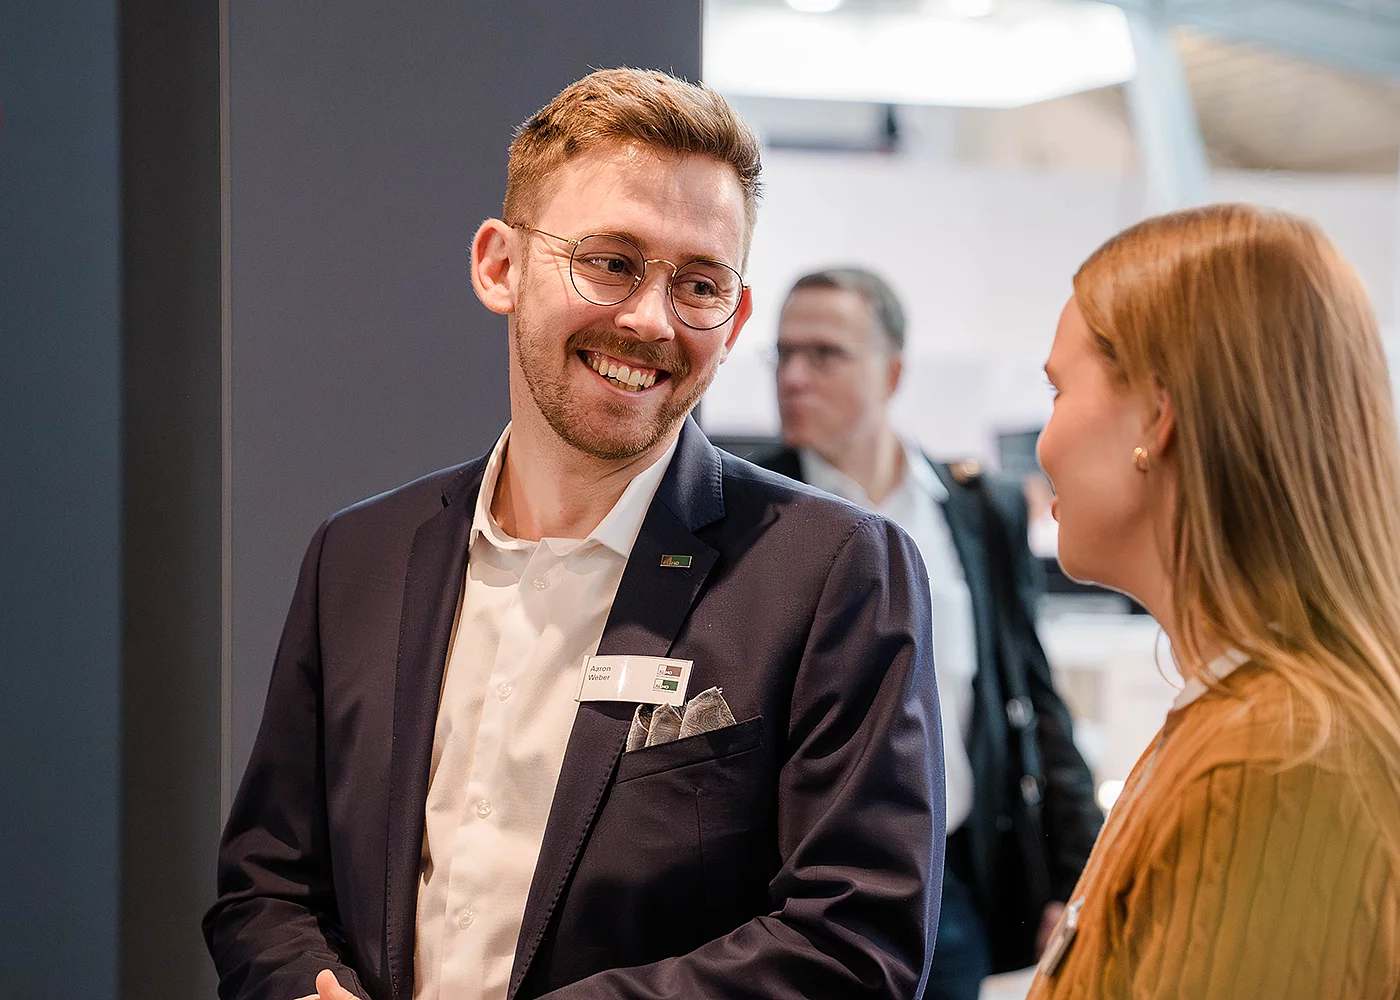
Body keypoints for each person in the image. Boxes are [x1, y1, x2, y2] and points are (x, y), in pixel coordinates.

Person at [203, 69, 945, 1000]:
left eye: (699, 283)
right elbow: (265, 886)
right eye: (611, 262)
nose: (650, 321)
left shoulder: (830, 571)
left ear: (735, 318)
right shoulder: (361, 558)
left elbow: (854, 944)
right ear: (500, 267)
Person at [1028, 203, 1400, 997]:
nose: (1043, 442)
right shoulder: (1257, 726)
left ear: (1158, 413)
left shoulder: (1274, 759)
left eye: (1058, 391)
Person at [753, 268, 1102, 997]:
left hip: (950, 884)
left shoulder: (977, 509)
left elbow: (1032, 694)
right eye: (783, 354)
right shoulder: (750, 510)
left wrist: (1077, 873)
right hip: (788, 885)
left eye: (824, 354)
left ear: (892, 372)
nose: (793, 376)